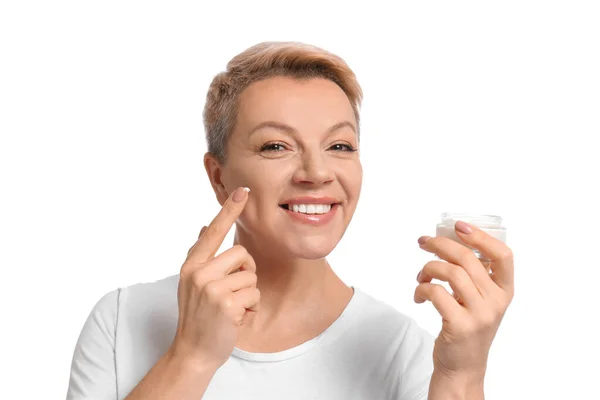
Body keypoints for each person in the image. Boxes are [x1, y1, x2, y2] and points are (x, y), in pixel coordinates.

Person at [66, 41, 515, 400]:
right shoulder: (122, 319)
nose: (318, 173)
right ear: (218, 177)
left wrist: (464, 374)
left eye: (339, 146)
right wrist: (192, 357)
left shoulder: (406, 351)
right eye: (276, 146)